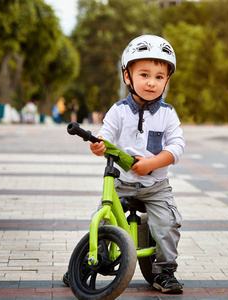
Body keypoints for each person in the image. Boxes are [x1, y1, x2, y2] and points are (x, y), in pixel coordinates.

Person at [63, 35, 185, 294]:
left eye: (159, 77)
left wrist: (152, 162)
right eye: (144, 74)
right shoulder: (118, 111)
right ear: (128, 76)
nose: (151, 82)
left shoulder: (167, 114)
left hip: (155, 187)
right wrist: (98, 147)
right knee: (102, 219)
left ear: (167, 81)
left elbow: (176, 147)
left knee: (167, 224)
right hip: (121, 184)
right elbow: (105, 138)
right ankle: (89, 260)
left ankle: (165, 271)